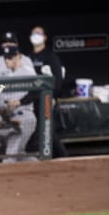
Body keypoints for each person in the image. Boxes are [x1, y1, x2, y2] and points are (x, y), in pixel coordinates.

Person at [28, 25, 68, 158]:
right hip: (32, 99)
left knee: (47, 131)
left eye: (39, 33)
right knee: (39, 131)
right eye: (33, 33)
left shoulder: (50, 56)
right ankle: (46, 158)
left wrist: (53, 97)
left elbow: (58, 78)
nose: (36, 35)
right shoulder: (28, 57)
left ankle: (63, 158)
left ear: (44, 37)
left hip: (47, 99)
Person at [0, 46, 38, 163]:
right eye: (6, 58)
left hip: (25, 116)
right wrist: (5, 112)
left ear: (17, 57)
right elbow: (2, 100)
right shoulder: (7, 75)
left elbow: (37, 92)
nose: (7, 61)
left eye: (10, 58)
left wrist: (19, 102)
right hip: (10, 118)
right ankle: (36, 166)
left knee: (10, 157)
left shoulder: (28, 72)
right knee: (20, 152)